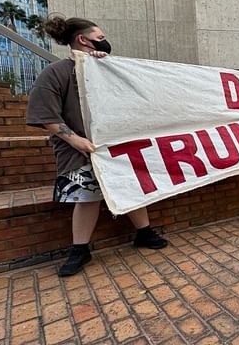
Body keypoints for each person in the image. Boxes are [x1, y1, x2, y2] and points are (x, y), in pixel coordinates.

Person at [26, 16, 168, 277]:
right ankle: (80, 249)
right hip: (77, 149)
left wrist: (109, 69)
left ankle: (144, 233)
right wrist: (76, 140)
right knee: (86, 197)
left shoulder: (106, 69)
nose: (105, 42)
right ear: (82, 39)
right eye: (100, 38)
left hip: (116, 145)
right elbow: (46, 115)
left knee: (130, 187)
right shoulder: (55, 73)